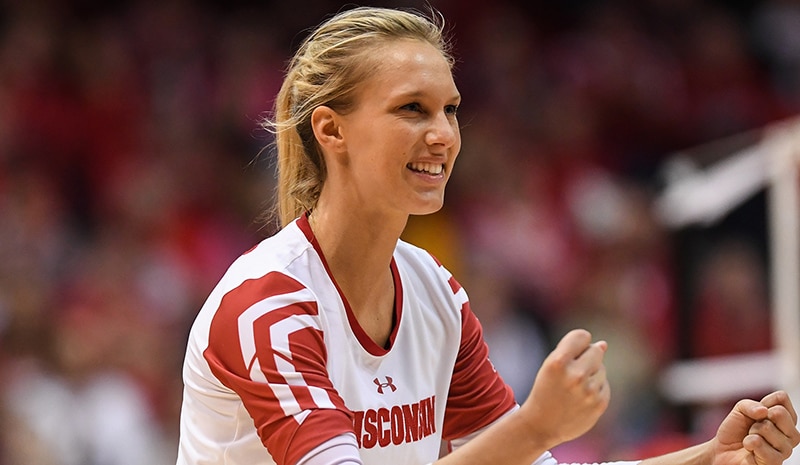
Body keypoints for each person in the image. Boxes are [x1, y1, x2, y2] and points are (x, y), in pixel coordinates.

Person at [176, 6, 800, 465]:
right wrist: (534, 427)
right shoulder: (268, 305)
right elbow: (520, 446)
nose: (443, 134)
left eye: (449, 109)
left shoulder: (434, 292)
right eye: (412, 109)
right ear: (331, 130)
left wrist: (709, 458)